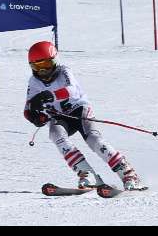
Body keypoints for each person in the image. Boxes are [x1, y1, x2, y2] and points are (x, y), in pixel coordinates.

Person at [23, 41, 143, 190]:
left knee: (93, 139)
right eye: (37, 67)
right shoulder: (34, 81)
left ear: (55, 61)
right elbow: (28, 109)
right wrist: (34, 117)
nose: (43, 72)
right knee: (55, 133)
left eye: (46, 66)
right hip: (59, 116)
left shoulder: (64, 71)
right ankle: (88, 174)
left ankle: (127, 173)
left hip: (78, 110)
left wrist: (48, 95)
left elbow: (71, 90)